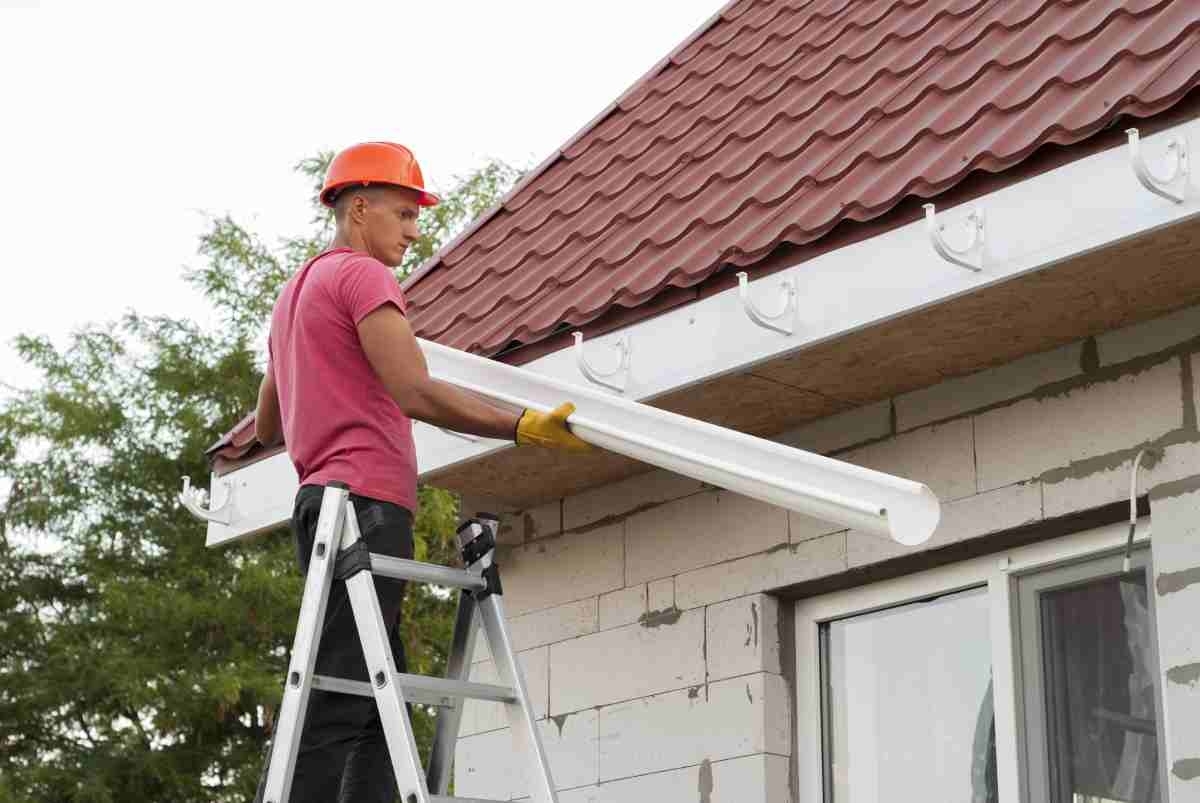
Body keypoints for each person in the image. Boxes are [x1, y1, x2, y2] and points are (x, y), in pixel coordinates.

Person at [251, 141, 590, 802]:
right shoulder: (363, 277)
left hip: (322, 511)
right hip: (365, 509)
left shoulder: (295, 294)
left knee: (380, 709)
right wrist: (518, 423)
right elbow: (415, 391)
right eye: (403, 214)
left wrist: (322, 380)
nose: (414, 230)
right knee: (340, 703)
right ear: (360, 209)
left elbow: (268, 427)